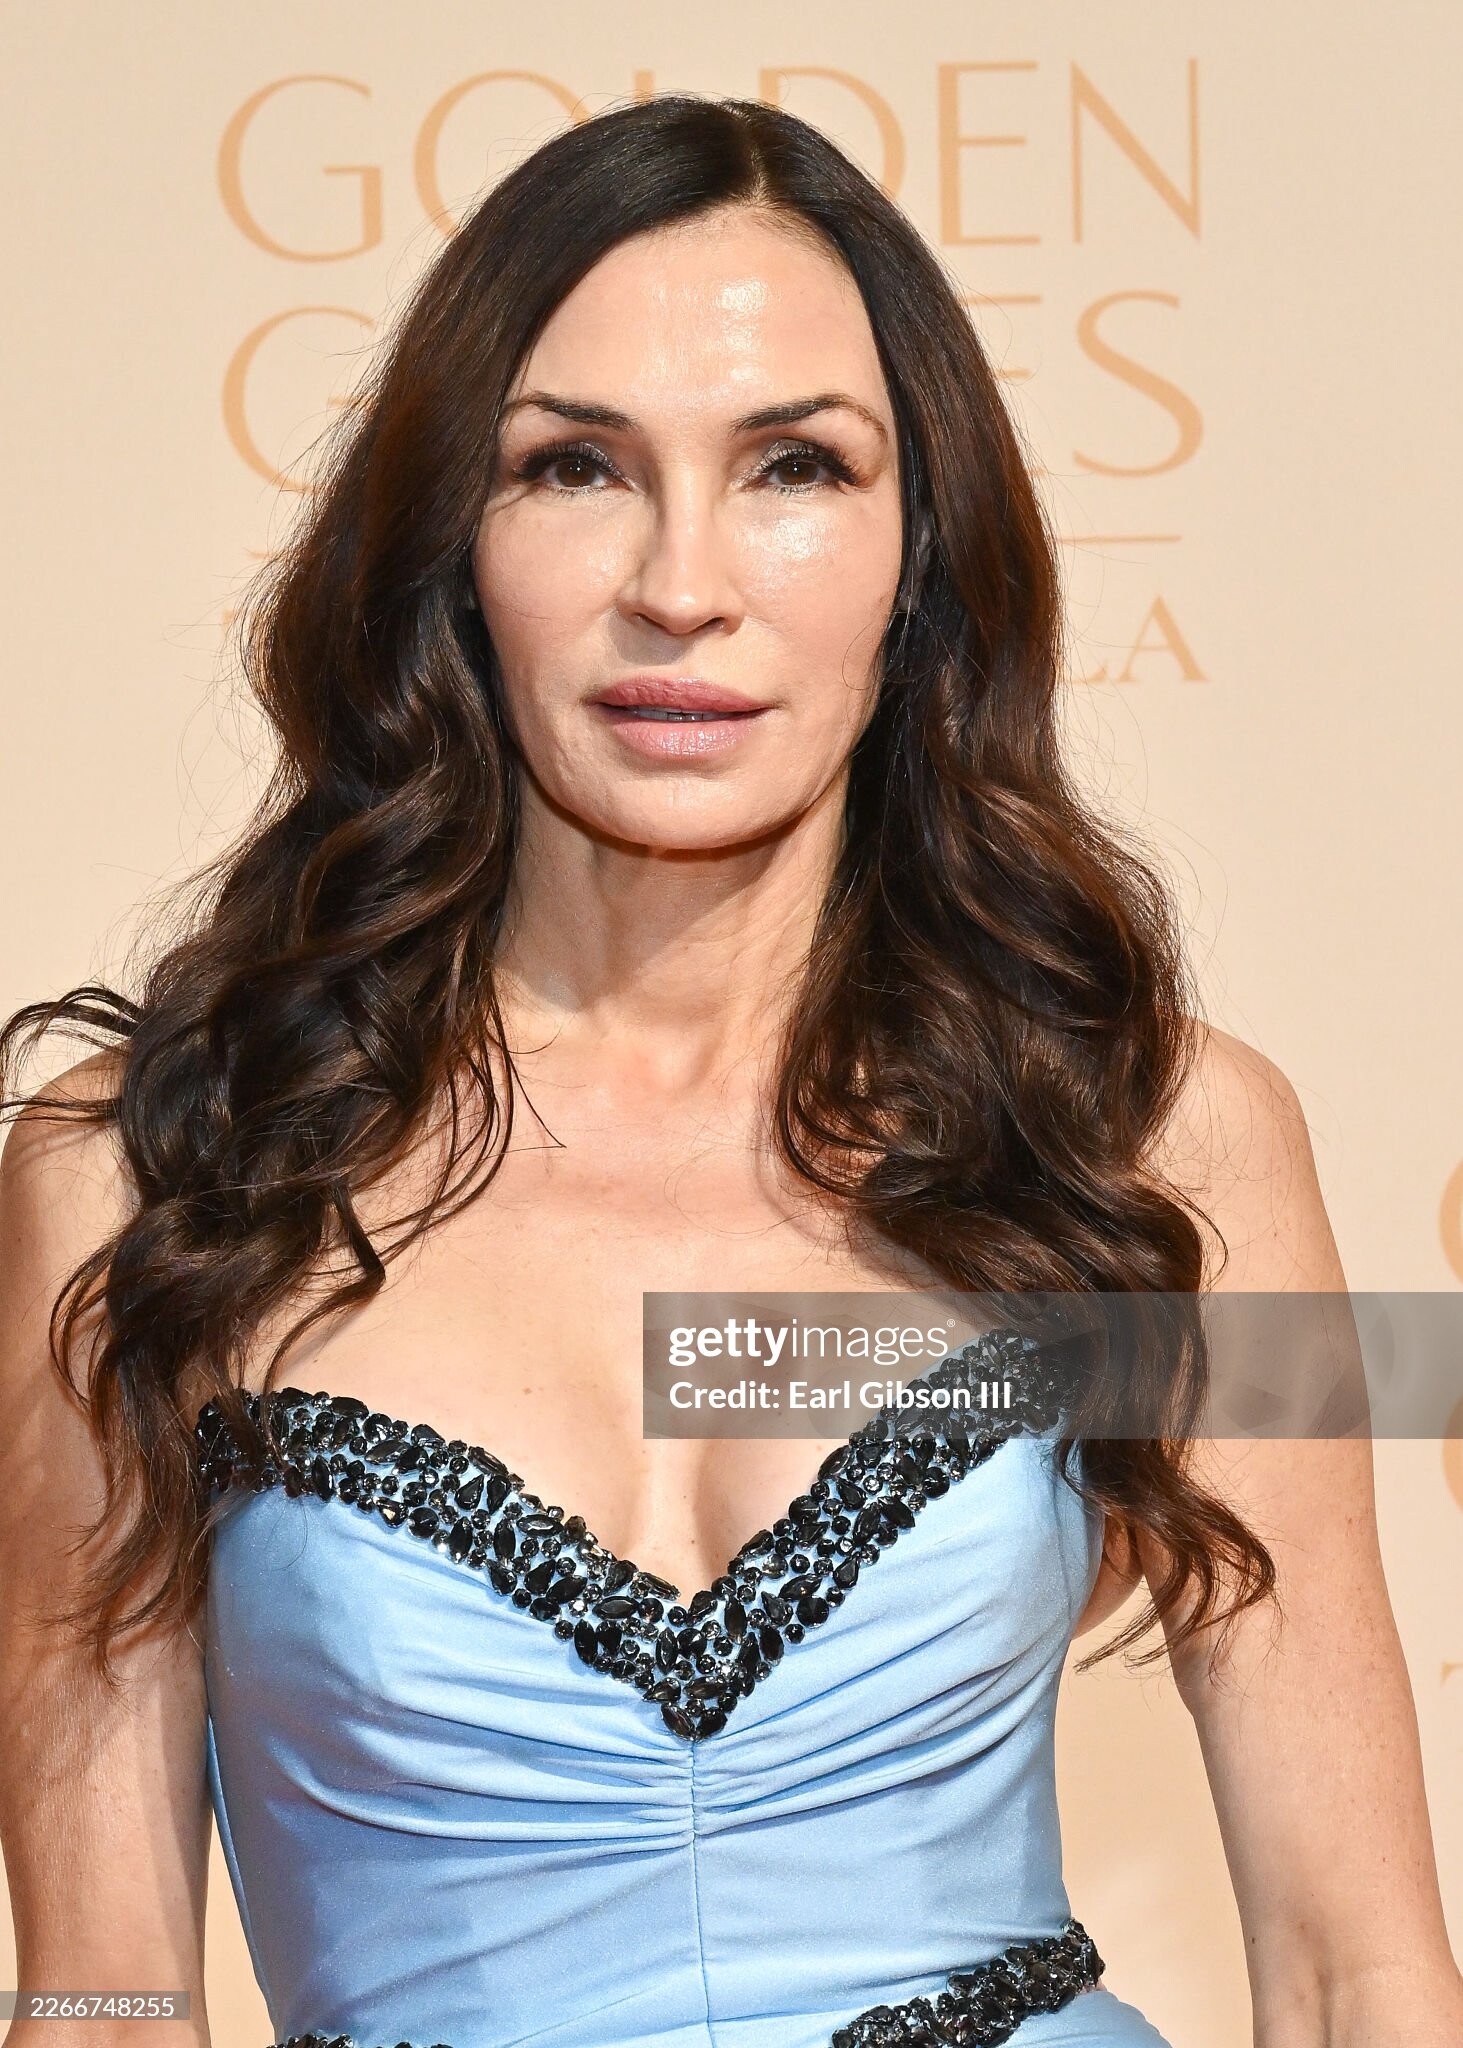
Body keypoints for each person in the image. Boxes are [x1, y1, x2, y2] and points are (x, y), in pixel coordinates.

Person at [0, 92, 1458, 2048]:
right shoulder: (147, 1180)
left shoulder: (1158, 1139)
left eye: (794, 466)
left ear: (917, 552)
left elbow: (1357, 1967)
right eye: (575, 466)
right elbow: (99, 1998)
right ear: (451, 547)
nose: (681, 583)